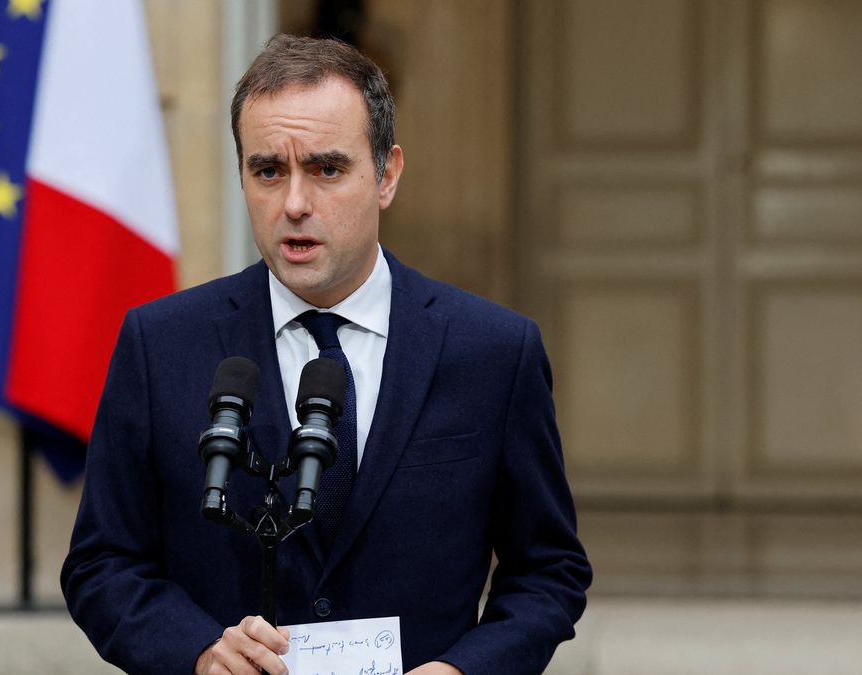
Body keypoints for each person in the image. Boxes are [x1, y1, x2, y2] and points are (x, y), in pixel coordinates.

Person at [62, 35, 591, 675]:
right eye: (267, 171)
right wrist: (198, 653)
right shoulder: (161, 344)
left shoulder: (493, 352)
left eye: (327, 168)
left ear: (387, 174)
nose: (294, 204)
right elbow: (102, 562)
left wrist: (464, 670)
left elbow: (549, 571)